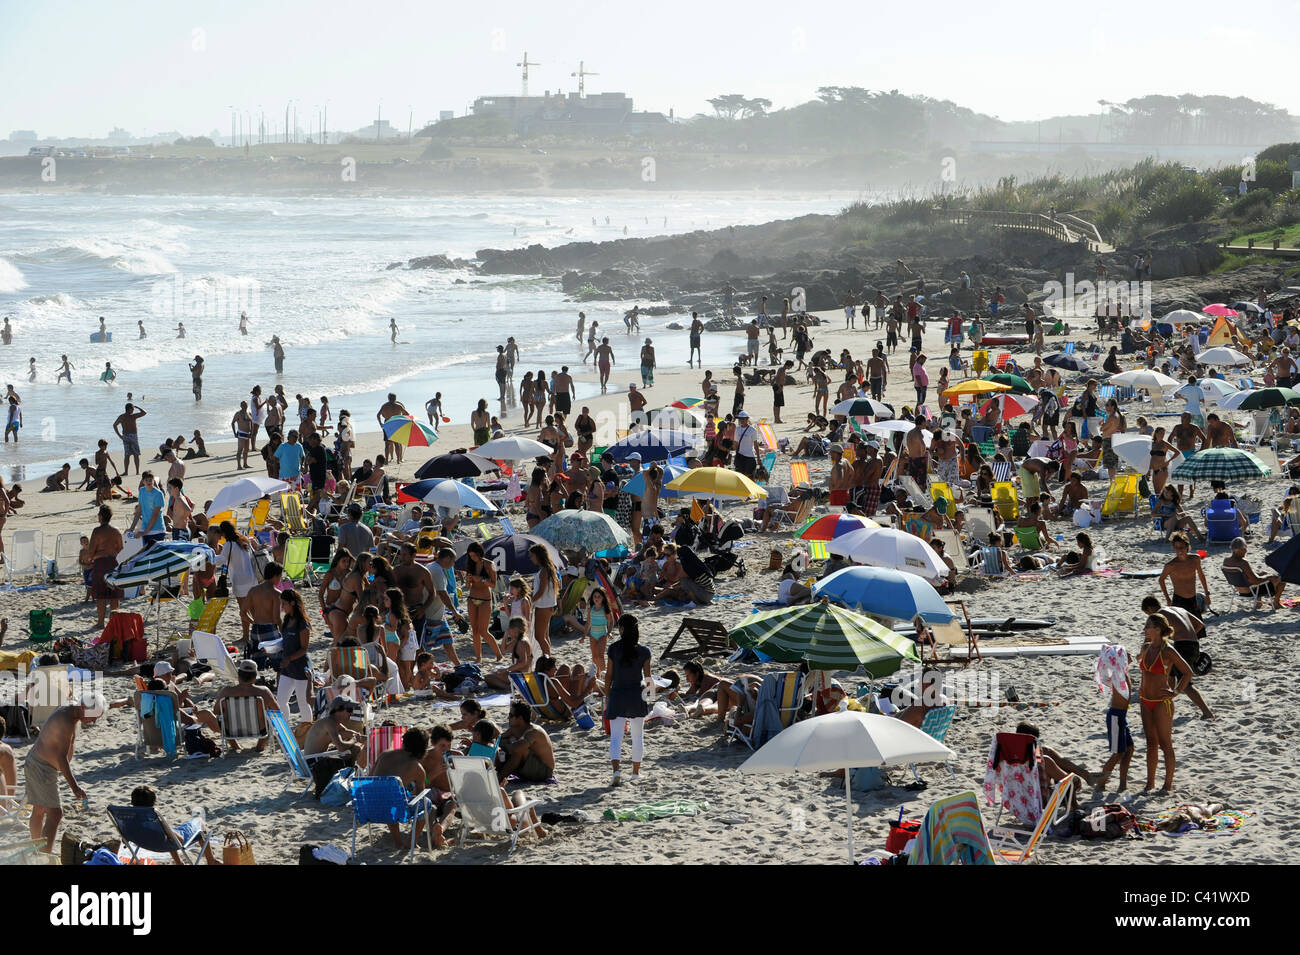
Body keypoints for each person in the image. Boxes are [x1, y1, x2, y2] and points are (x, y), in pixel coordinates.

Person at [25, 694, 105, 851]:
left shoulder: (72, 707)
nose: (93, 722)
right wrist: (74, 787)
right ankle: (44, 855)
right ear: (83, 708)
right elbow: (61, 758)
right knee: (55, 814)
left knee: (40, 809)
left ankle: (37, 851)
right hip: (42, 767)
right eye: (93, 717)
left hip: (37, 762)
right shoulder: (67, 720)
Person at [1137, 613, 1193, 793]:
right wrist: (1140, 687)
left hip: (1162, 702)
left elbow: (1188, 672)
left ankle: (1167, 784)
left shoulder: (1168, 650)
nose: (1145, 629)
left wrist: (1175, 692)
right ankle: (1150, 783)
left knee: (1165, 743)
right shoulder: (1145, 647)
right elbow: (1143, 673)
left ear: (1158, 629)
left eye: (1148, 626)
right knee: (1150, 743)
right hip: (1145, 700)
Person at [604, 614, 652, 785]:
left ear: (622, 629)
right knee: (637, 736)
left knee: (616, 737)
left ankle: (616, 771)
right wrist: (651, 695)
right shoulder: (644, 651)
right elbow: (648, 678)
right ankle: (635, 774)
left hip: (618, 693)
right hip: (636, 695)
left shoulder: (614, 649)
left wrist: (607, 695)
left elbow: (609, 676)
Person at [212, 659, 281, 752]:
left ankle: (236, 746)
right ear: (255, 676)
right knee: (271, 719)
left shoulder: (226, 691)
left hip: (231, 731)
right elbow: (277, 711)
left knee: (222, 719)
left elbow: (216, 711)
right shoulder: (263, 691)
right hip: (260, 730)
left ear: (238, 675)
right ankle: (260, 746)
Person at [498, 700, 555, 784]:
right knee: (503, 742)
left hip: (544, 771)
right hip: (531, 768)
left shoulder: (534, 732)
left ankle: (499, 778)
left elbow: (516, 748)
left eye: (511, 715)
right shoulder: (516, 729)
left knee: (519, 749)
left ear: (520, 718)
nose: (508, 718)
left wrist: (503, 748)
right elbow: (499, 739)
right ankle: (496, 772)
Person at [1222, 536, 1285, 610]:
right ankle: (1276, 603)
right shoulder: (1243, 563)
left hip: (1239, 589)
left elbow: (1246, 577)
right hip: (1250, 592)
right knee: (1281, 579)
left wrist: (1262, 575)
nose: (1246, 551)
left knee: (1262, 574)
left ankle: (1259, 604)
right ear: (1240, 549)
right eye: (1245, 548)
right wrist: (1269, 577)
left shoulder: (1226, 561)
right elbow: (1256, 581)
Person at [1159, 532, 1211, 617]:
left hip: (1193, 599)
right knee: (1182, 629)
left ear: (1187, 546)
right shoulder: (1170, 565)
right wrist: (1167, 599)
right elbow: (1161, 580)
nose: (1179, 550)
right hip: (1179, 600)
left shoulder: (1195, 559)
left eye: (1181, 547)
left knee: (1199, 628)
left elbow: (1201, 575)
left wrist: (1207, 594)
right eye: (1176, 548)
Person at [87, 505, 124, 627]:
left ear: (101, 516)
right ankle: (114, 622)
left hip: (100, 563)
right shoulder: (116, 531)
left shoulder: (97, 531)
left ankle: (100, 622)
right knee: (114, 595)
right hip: (113, 563)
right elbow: (120, 548)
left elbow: (91, 552)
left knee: (101, 596)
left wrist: (97, 554)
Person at [112, 402, 147, 476]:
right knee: (135, 454)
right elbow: (144, 412)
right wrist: (138, 407)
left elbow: (114, 425)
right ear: (129, 409)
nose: (133, 410)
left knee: (128, 455)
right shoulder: (133, 416)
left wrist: (120, 436)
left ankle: (127, 472)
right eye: (133, 409)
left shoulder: (122, 417)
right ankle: (136, 471)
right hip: (132, 436)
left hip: (125, 436)